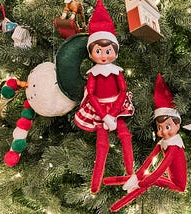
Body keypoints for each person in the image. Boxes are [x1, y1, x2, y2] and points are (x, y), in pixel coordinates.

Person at [74, 0, 134, 194]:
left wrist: (114, 114)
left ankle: (131, 173)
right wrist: (105, 115)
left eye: (107, 51)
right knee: (102, 144)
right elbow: (90, 94)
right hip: (99, 109)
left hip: (116, 106)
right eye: (98, 51)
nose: (103, 55)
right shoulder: (93, 73)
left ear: (115, 51)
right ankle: (95, 183)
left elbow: (123, 91)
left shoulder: (117, 71)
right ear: (91, 53)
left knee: (125, 136)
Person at [103, 73, 187, 212]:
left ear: (177, 125)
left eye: (167, 127)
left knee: (147, 182)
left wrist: (143, 182)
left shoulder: (175, 146)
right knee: (142, 178)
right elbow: (150, 159)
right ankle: (109, 181)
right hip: (168, 178)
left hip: (178, 185)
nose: (163, 132)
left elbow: (161, 167)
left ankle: (117, 206)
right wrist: (138, 175)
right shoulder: (163, 142)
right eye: (159, 128)